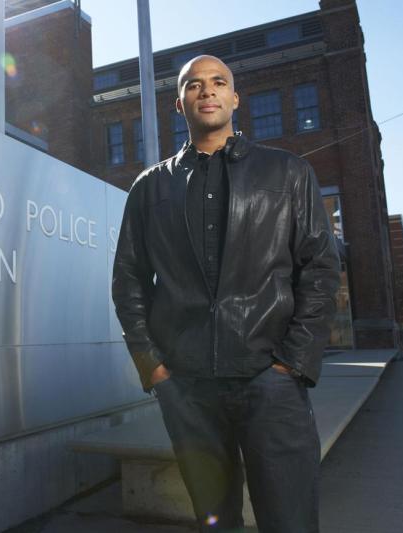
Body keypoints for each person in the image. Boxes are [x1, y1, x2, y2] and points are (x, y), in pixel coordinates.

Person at [111, 55, 340, 533]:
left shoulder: (289, 173)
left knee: (291, 520)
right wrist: (153, 369)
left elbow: (319, 269)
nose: (207, 91)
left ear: (235, 98)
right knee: (215, 522)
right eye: (195, 85)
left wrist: (293, 362)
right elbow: (128, 281)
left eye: (218, 82)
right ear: (180, 103)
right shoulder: (148, 189)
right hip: (189, 389)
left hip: (272, 381)